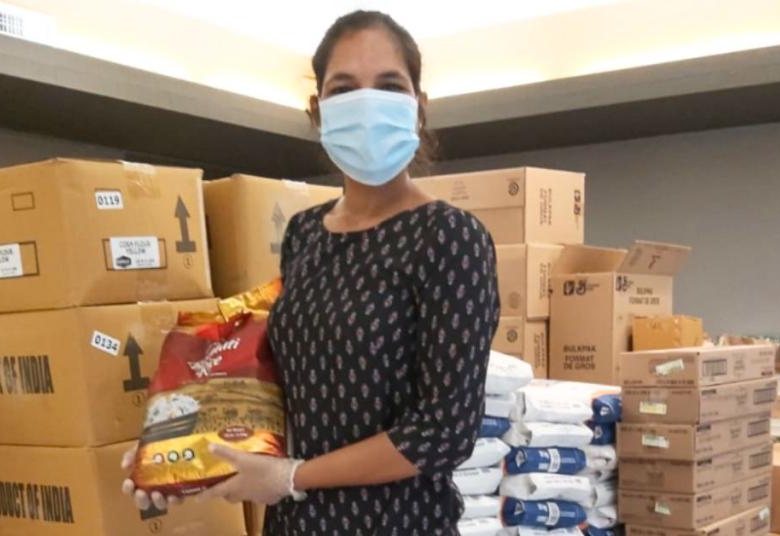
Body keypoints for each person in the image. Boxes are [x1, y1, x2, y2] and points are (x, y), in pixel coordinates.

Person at [123, 10, 500, 535]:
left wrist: (294, 475)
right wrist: (178, 449)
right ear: (318, 110)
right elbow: (280, 388)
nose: (366, 103)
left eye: (388, 85)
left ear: (418, 108)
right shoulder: (306, 233)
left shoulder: (449, 237)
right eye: (344, 88)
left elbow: (444, 431)